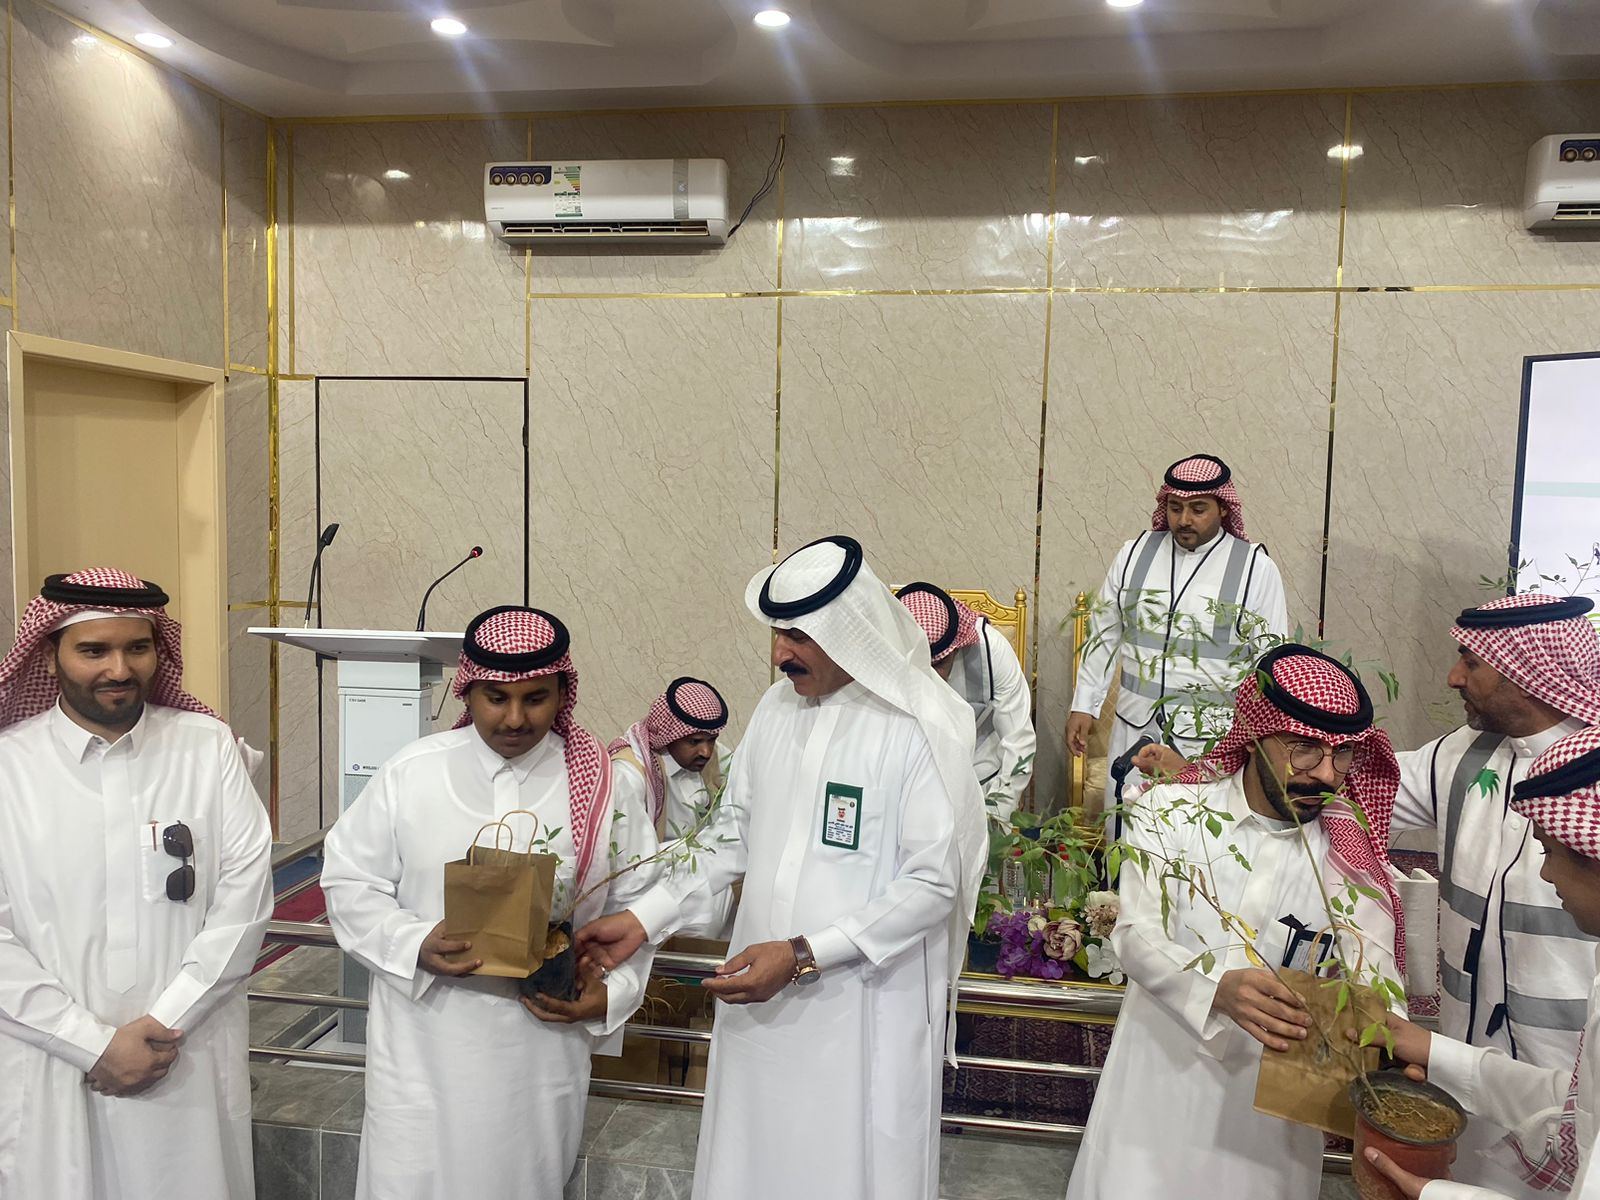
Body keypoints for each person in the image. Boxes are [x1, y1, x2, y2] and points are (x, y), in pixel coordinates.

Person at [577, 535, 987, 1200]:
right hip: (757, 998)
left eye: (798, 635)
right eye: (776, 633)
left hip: (861, 1009)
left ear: (850, 631)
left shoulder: (919, 727)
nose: (779, 654)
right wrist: (645, 918)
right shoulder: (774, 712)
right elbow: (730, 836)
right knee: (753, 1163)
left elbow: (933, 885)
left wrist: (801, 955)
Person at [321, 605, 661, 1200]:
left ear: (563, 694)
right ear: (468, 690)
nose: (515, 718)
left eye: (536, 698)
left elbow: (639, 904)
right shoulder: (413, 772)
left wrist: (613, 994)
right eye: (496, 698)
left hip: (541, 1049)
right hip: (424, 1045)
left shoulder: (605, 787)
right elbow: (349, 880)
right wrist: (413, 942)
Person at [1067, 644, 1405, 1200]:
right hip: (1156, 1088)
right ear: (1252, 734)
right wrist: (1216, 989)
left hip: (1270, 1122)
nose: (1326, 774)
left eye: (1342, 755)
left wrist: (1389, 1038)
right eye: (1304, 749)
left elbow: (1376, 979)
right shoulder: (1171, 812)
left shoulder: (1348, 858)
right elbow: (1134, 935)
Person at [0, 568, 274, 1200]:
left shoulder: (207, 748)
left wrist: (164, 1024)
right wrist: (91, 1045)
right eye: (93, 650)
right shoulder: (9, 767)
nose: (119, 669)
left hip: (183, 1051)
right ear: (50, 652)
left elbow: (244, 903)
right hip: (48, 1056)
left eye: (137, 648)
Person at [1362, 724, 1600, 1200]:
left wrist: (1436, 1196)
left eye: (1549, 853)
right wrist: (1432, 1050)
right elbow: (1583, 1109)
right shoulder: (1462, 753)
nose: (1545, 874)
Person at [1066, 453, 1288, 818]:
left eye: (1198, 509)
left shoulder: (1255, 568)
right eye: (1175, 507)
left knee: (1194, 833)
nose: (1184, 519)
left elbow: (1270, 663)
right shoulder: (1133, 554)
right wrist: (1084, 704)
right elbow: (1103, 634)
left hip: (1209, 740)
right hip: (1134, 729)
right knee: (1126, 828)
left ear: (1223, 509)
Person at [897, 581, 1036, 824]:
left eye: (939, 664)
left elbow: (1019, 742)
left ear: (956, 647)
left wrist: (996, 816)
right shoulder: (884, 652)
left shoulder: (992, 651)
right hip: (907, 779)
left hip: (980, 777)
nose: (931, 675)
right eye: (920, 665)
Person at [610, 676, 735, 938]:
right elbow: (628, 863)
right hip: (648, 883)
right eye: (695, 742)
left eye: (711, 740)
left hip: (702, 873)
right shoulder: (630, 774)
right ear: (668, 736)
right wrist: (697, 851)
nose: (706, 751)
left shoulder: (711, 756)